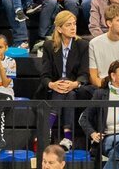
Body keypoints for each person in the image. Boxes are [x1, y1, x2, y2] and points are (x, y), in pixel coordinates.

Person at [38, 10, 93, 147]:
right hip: (54, 88)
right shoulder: (49, 46)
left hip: (75, 87)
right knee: (63, 91)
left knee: (70, 92)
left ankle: (47, 129)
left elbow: (84, 73)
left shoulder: (83, 45)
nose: (73, 27)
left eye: (74, 24)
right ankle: (67, 137)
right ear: (59, 28)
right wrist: (52, 84)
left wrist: (74, 83)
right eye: (68, 25)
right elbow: (45, 75)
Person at [0, 34, 16, 100]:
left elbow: (5, 84)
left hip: (6, 92)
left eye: (0, 47)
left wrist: (0, 66)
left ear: (6, 48)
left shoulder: (11, 62)